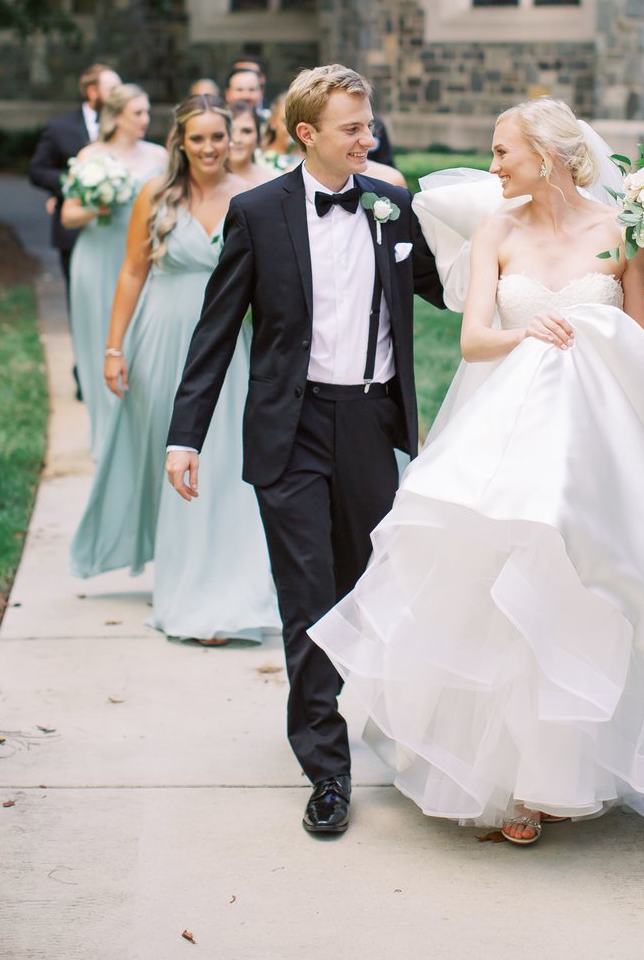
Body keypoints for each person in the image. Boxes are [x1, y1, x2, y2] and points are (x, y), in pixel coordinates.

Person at [310, 98, 644, 845]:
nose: (492, 167)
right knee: (498, 588)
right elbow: (475, 340)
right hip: (508, 431)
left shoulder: (620, 233)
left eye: (501, 153)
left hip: (597, 441)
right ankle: (509, 779)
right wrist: (526, 332)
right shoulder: (497, 229)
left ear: (545, 157)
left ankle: (574, 769)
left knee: (586, 588)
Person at [165, 64, 446, 836]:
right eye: (353, 127)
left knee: (370, 588)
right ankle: (327, 768)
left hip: (368, 425)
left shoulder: (393, 207)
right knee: (309, 601)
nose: (369, 136)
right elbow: (215, 329)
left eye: (369, 123)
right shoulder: (257, 213)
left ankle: (393, 724)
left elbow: (456, 288)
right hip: (289, 432)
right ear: (307, 134)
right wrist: (186, 434)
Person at [70, 96, 279, 644]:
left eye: (219, 137)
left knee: (223, 463)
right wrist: (114, 349)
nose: (210, 148)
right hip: (161, 338)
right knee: (171, 461)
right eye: (199, 138)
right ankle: (181, 580)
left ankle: (227, 589)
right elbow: (132, 272)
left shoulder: (253, 197)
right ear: (180, 143)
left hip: (228, 345)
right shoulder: (156, 194)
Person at [61, 84, 166, 459]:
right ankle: (104, 436)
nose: (145, 120)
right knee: (99, 343)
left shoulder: (159, 156)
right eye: (138, 113)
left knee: (138, 342)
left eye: (147, 112)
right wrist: (100, 205)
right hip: (98, 256)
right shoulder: (92, 156)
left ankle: (137, 431)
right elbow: (68, 214)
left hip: (143, 260)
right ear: (117, 115)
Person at [28, 63, 121, 294]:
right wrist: (74, 185)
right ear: (93, 92)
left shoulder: (126, 126)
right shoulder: (59, 128)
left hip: (117, 230)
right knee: (80, 300)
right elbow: (38, 170)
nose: (120, 97)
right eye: (113, 90)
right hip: (73, 233)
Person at [227, 102, 277, 183]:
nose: (237, 139)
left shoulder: (272, 181)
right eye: (230, 131)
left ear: (258, 136)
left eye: (246, 131)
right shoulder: (203, 181)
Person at [259, 93, 303, 173]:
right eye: (285, 121)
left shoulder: (311, 159)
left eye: (297, 121)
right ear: (272, 122)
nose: (292, 128)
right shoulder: (259, 158)